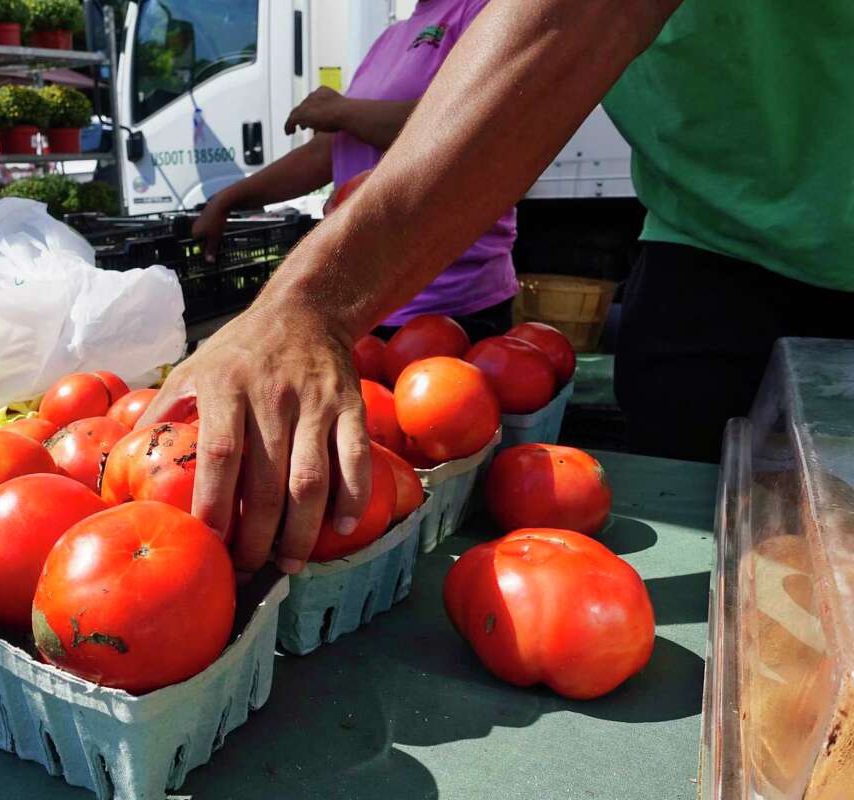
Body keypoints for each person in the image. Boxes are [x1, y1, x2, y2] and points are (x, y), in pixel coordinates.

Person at [142, 0, 853, 576]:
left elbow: (571, 22)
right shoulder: (395, 32)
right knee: (717, 528)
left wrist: (311, 304)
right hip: (705, 234)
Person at [192, 0, 517, 342]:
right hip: (367, 301)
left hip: (450, 307)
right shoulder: (390, 38)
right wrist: (227, 199)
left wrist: (343, 111)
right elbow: (329, 150)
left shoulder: (479, 10)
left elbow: (469, 122)